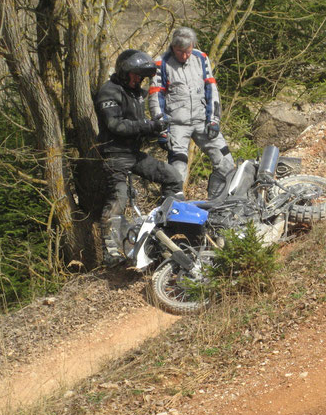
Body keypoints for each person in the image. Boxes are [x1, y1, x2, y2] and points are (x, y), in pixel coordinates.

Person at [95, 49, 183, 267]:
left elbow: (138, 126)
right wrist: (147, 125)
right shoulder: (109, 92)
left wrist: (156, 131)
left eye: (142, 77)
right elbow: (115, 125)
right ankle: (112, 251)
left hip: (134, 154)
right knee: (118, 199)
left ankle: (163, 230)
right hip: (114, 155)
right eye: (136, 75)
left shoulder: (135, 93)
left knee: (172, 177)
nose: (139, 80)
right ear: (125, 72)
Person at [148, 27, 235, 199]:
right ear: (173, 47)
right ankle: (174, 209)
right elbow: (155, 97)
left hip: (203, 120)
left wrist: (214, 120)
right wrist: (162, 129)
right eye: (180, 52)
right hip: (176, 124)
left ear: (193, 46)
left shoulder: (201, 58)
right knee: (178, 170)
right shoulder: (161, 63)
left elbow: (212, 90)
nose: (185, 56)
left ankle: (219, 203)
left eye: (187, 51)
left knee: (226, 162)